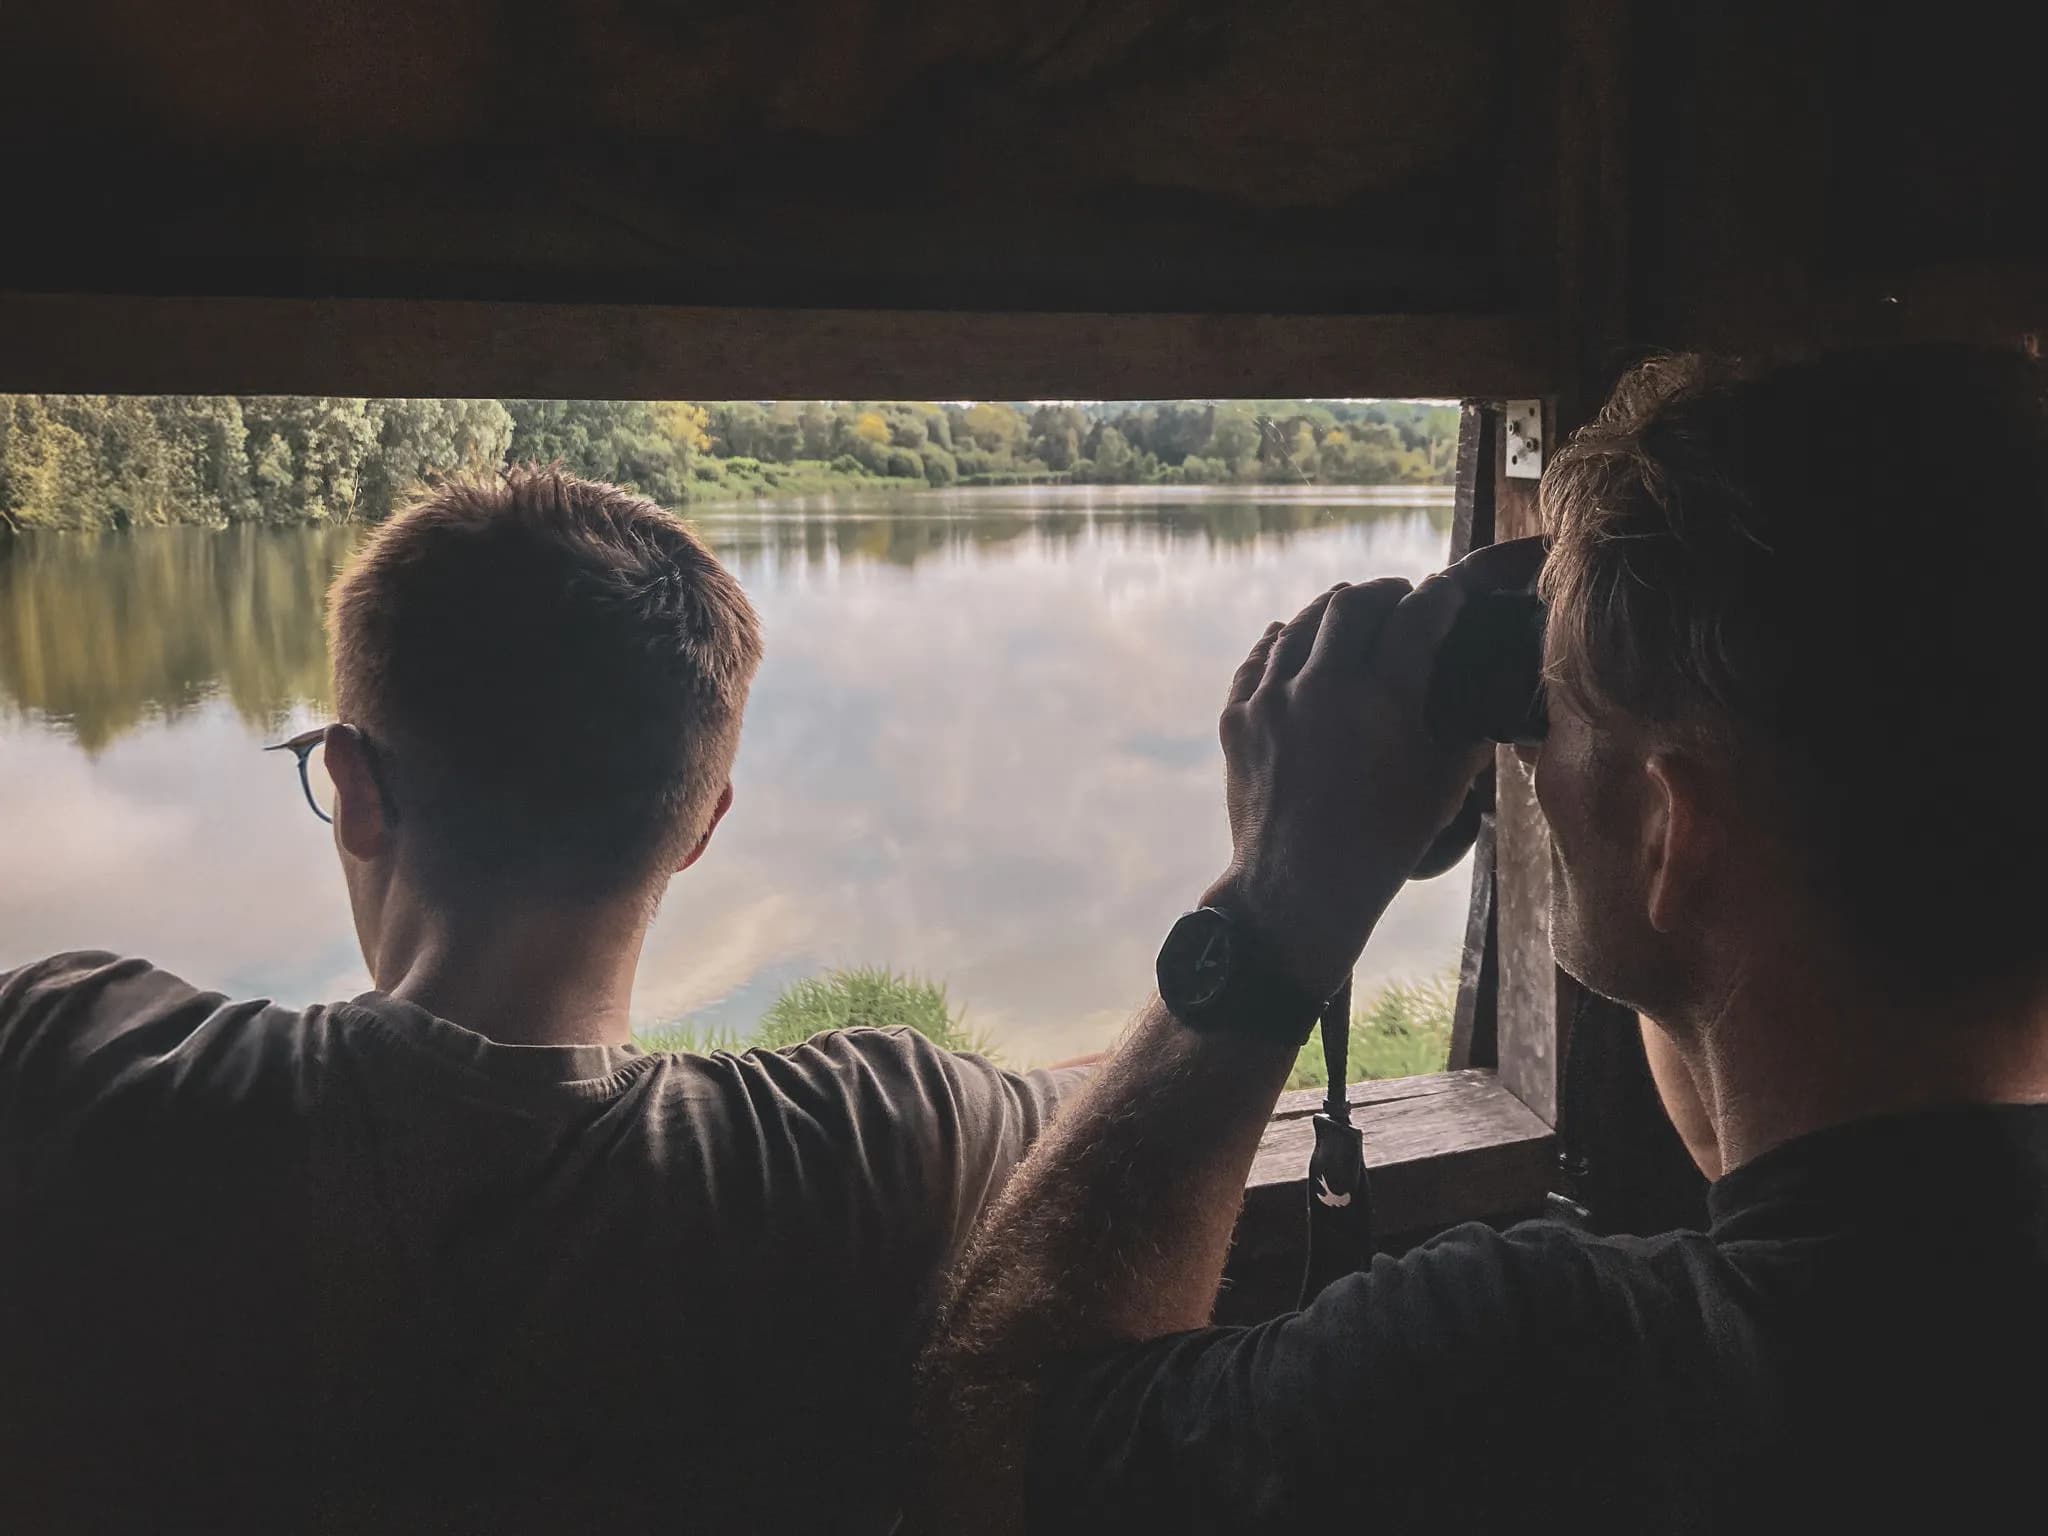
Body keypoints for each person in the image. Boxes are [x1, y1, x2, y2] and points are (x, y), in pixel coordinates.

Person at [918, 344, 2048, 1533]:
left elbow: (994, 1448)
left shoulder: (1534, 1372)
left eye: (1549, 719)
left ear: (1669, 830)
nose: (1527, 762)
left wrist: (1276, 907)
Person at [0, 468, 1088, 1531]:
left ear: (354, 792)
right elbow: (1126, 1117)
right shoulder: (886, 1141)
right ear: (700, 826)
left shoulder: (64, 1061)